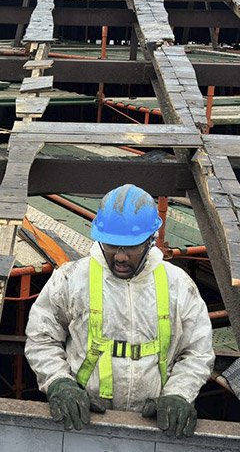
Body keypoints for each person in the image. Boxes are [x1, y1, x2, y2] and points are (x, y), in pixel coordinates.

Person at [25, 184, 214, 438]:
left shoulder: (177, 285)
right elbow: (41, 337)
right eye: (112, 245)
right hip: (84, 419)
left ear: (150, 240)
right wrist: (59, 382)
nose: (120, 257)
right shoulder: (72, 279)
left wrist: (179, 393)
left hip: (152, 424)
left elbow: (197, 351)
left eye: (131, 247)